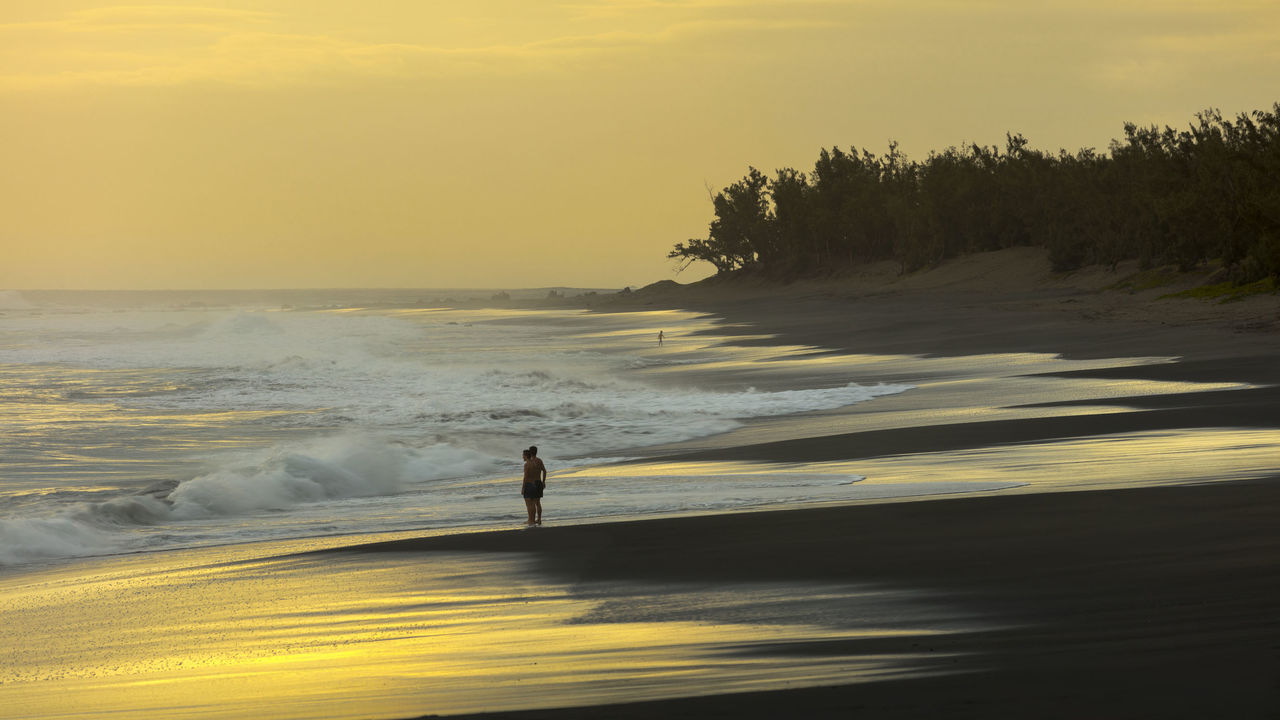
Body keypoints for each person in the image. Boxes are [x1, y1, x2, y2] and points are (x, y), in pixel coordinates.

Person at [522, 446, 547, 526]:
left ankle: (531, 519)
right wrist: (543, 481)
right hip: (539, 482)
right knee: (537, 502)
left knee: (530, 503)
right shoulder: (539, 461)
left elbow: (526, 477)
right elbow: (544, 471)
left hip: (532, 483)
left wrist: (523, 487)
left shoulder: (529, 463)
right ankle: (538, 519)